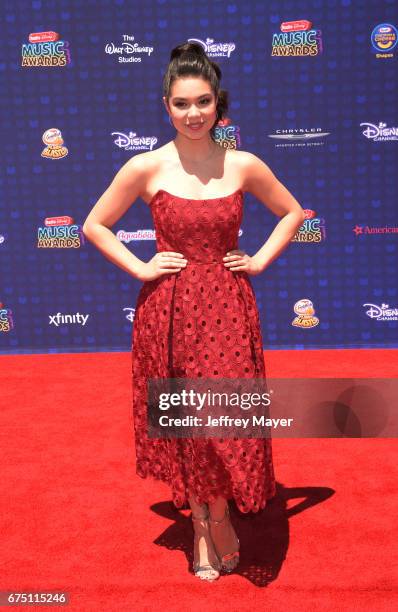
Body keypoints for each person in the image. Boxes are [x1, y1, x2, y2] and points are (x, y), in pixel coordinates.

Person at [82, 41, 305, 583]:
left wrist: (257, 261)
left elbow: (293, 212)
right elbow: (93, 225)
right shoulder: (145, 166)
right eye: (182, 103)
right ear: (166, 105)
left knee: (221, 418)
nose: (193, 113)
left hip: (227, 308)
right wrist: (140, 268)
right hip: (171, 310)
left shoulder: (244, 163)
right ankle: (203, 520)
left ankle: (220, 511)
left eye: (203, 101)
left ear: (218, 104)